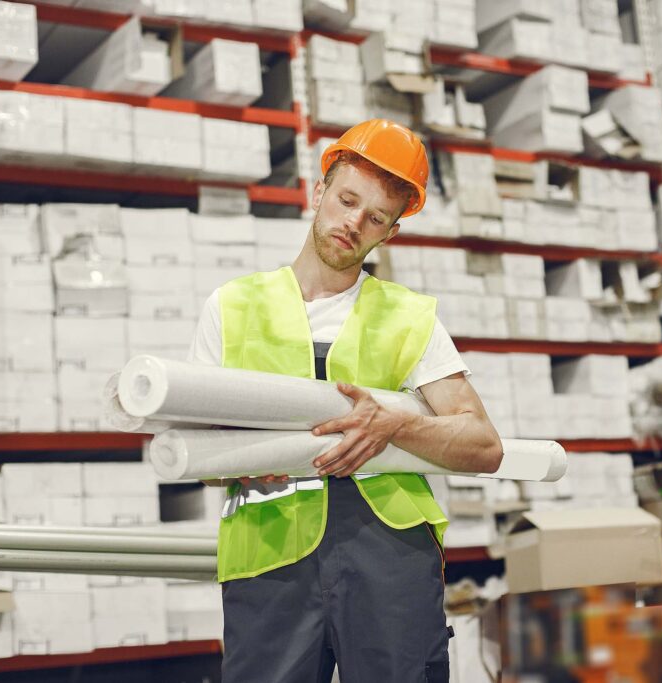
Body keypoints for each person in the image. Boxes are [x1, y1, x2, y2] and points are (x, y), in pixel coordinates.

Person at [186, 118, 503, 682]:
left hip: (389, 558)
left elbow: (483, 445)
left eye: (375, 217)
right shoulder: (231, 307)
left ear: (390, 233)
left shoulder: (409, 317)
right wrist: (239, 461)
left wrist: (395, 424)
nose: (353, 223)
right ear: (319, 192)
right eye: (347, 200)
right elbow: (195, 450)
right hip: (269, 555)